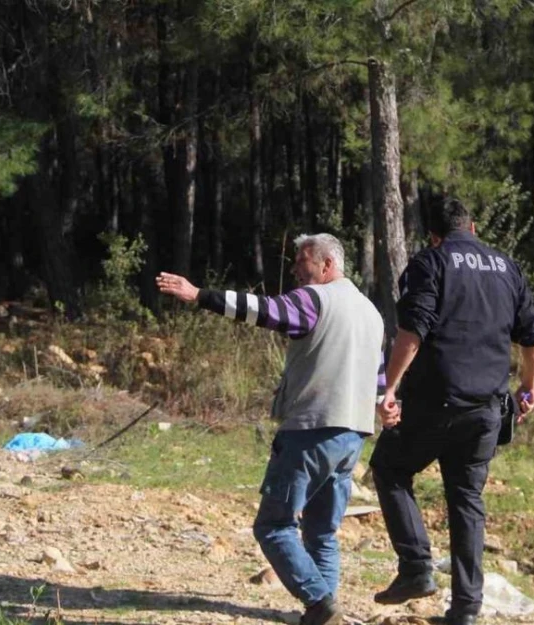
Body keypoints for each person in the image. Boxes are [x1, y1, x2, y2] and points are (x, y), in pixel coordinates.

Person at [157, 233, 385, 625]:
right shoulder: (371, 312)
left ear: (327, 265)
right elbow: (378, 379)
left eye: (303, 261)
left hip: (312, 429)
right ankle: (324, 610)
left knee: (274, 526)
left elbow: (263, 310)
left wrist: (200, 295)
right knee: (322, 532)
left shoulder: (315, 299)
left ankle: (318, 602)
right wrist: (386, 405)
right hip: (354, 435)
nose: (296, 268)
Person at [369, 198, 534, 625]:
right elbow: (533, 334)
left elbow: (413, 330)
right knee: (466, 501)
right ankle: (465, 610)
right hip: (487, 407)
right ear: (474, 225)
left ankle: (415, 569)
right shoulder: (507, 267)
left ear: (434, 234)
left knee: (390, 467)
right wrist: (528, 384)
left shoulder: (430, 262)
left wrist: (389, 388)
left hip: (436, 401)